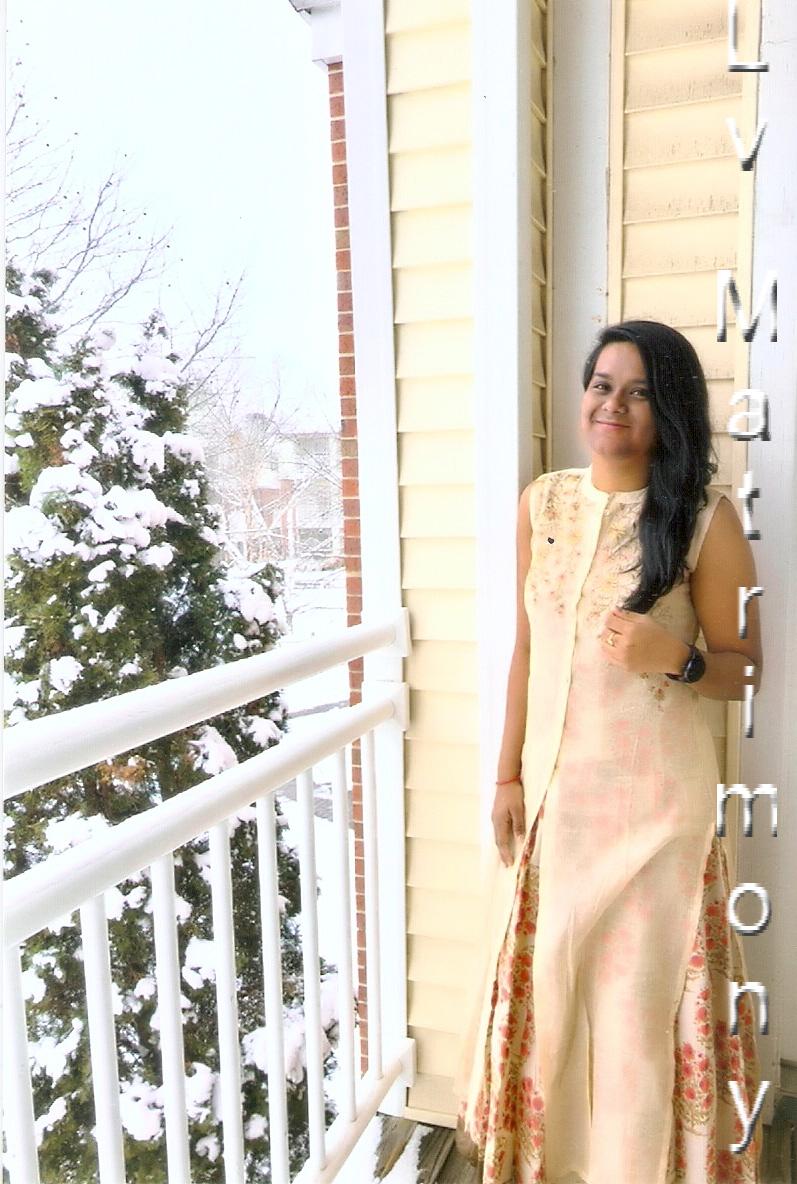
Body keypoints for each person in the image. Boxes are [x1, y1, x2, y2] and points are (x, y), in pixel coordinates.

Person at [453, 320, 764, 1184]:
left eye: (637, 392)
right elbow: (525, 647)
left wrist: (677, 658)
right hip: (557, 809)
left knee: (633, 1017)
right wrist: (505, 774)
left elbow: (745, 670)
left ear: (670, 412)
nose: (611, 405)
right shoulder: (543, 503)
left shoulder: (704, 520)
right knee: (555, 995)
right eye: (600, 385)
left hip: (655, 816)